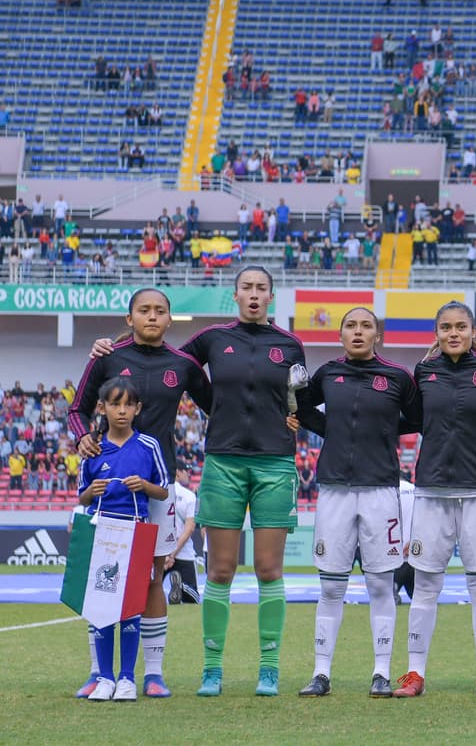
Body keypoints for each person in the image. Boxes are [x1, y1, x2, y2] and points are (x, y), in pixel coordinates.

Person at [75, 289, 212, 699]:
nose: (152, 316)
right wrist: (83, 438)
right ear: (130, 317)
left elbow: (218, 407)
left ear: (170, 319)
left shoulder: (184, 364)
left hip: (159, 489)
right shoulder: (107, 356)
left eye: (160, 311)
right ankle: (100, 673)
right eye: (144, 310)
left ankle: (152, 673)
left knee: (154, 577)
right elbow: (77, 408)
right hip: (109, 491)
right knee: (101, 578)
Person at [181, 267, 304, 697]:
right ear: (235, 295)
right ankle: (211, 668)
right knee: (220, 569)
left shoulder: (290, 345)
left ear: (272, 296)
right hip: (224, 463)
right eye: (247, 288)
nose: (254, 295)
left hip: (274, 464)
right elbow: (175, 364)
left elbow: (298, 401)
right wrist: (211, 404)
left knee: (269, 569)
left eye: (262, 289)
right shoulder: (213, 339)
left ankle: (268, 668)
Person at [291, 308, 420, 698]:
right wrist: (328, 429)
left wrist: (381, 432)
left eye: (366, 326)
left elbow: (417, 418)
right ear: (341, 334)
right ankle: (321, 673)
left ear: (377, 335)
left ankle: (381, 672)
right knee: (331, 586)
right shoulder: (328, 374)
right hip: (333, 489)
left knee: (381, 585)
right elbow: (299, 405)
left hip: (382, 489)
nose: (359, 332)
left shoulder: (398, 377)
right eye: (351, 326)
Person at [395, 302, 476, 699]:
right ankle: (414, 673)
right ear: (437, 332)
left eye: (460, 326)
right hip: (431, 489)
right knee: (426, 584)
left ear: (473, 330)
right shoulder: (424, 372)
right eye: (446, 327)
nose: (453, 333)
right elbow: (410, 419)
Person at [78, 377, 170, 702]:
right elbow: (82, 497)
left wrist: (143, 486)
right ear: (102, 407)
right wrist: (92, 491)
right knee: (102, 606)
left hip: (136, 531)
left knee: (132, 607)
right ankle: (104, 678)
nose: (121, 411)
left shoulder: (149, 446)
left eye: (128, 404)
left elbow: (163, 489)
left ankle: (127, 678)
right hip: (102, 531)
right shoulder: (91, 448)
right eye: (114, 404)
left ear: (137, 408)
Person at [165, 463, 200, 606]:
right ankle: (181, 587)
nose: (189, 475)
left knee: (151, 591)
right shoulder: (189, 496)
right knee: (193, 598)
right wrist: (173, 554)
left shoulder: (159, 492)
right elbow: (190, 528)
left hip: (161, 551)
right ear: (178, 472)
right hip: (183, 552)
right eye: (187, 471)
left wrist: (167, 554)